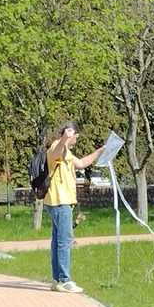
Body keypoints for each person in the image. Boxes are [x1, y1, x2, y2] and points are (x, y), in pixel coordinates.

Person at [41, 121, 101, 294]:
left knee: (57, 241)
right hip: (60, 201)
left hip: (59, 201)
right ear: (69, 134)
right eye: (76, 136)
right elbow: (56, 153)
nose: (76, 139)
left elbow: (81, 163)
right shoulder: (56, 147)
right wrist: (64, 138)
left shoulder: (67, 152)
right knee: (65, 241)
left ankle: (56, 279)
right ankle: (65, 280)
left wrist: (100, 151)